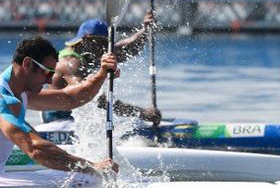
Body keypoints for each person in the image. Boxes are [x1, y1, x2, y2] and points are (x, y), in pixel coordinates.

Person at [0, 36, 118, 175]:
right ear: (27, 64)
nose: (50, 80)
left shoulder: (19, 90)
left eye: (53, 73)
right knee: (87, 178)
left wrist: (102, 74)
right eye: (47, 72)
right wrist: (91, 166)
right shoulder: (4, 100)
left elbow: (70, 99)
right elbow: (36, 149)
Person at [39, 12, 161, 130]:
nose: (103, 48)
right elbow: (89, 96)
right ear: (83, 41)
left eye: (105, 43)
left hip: (72, 117)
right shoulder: (71, 63)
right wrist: (142, 113)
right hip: (58, 122)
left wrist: (145, 30)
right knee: (129, 129)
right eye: (99, 43)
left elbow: (126, 49)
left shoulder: (89, 51)